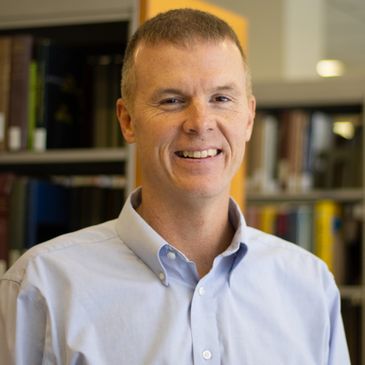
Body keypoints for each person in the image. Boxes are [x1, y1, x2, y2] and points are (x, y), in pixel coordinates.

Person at [0, 8, 350, 365]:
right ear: (127, 121)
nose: (200, 123)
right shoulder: (41, 287)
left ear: (248, 117)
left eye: (221, 98)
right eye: (172, 100)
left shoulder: (309, 285)